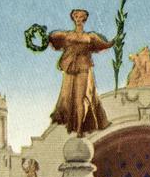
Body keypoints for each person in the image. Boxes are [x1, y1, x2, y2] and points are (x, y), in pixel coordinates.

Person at [48, 9, 113, 137]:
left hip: (84, 66)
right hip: (70, 66)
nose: (78, 18)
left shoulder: (90, 37)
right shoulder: (66, 35)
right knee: (67, 96)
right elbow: (51, 39)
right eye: (76, 16)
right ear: (73, 18)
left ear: (84, 19)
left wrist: (116, 40)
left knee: (80, 98)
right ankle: (74, 126)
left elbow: (105, 45)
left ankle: (79, 129)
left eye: (81, 16)